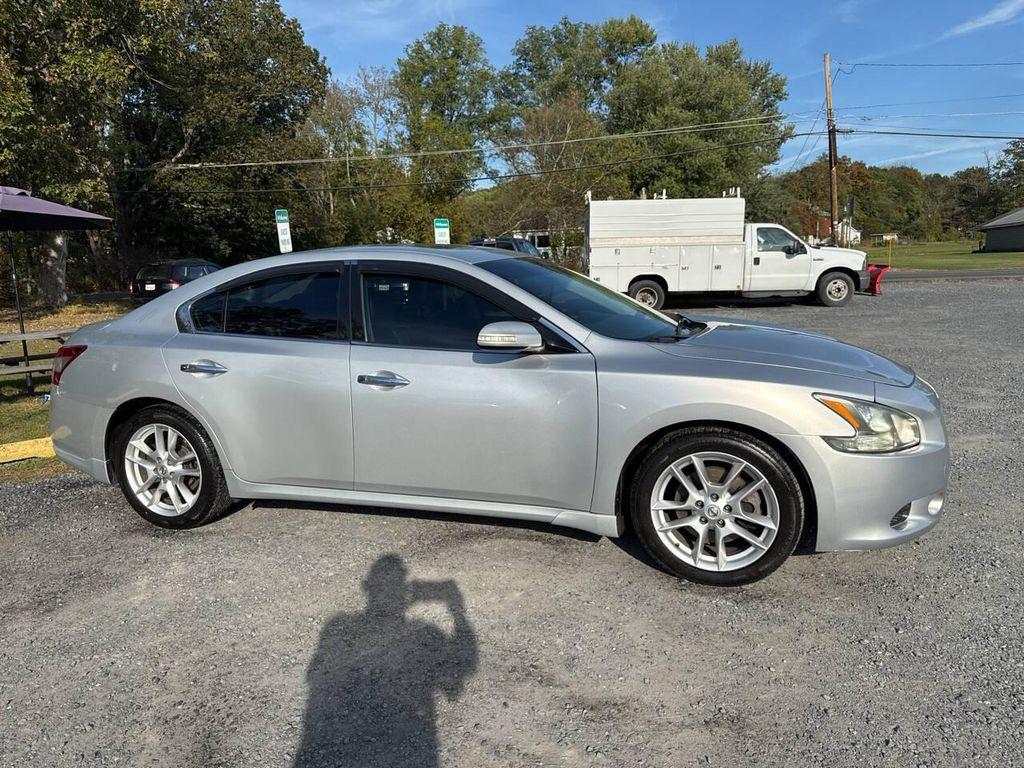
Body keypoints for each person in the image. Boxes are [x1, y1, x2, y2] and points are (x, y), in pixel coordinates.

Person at [294, 554, 477, 767]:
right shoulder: (426, 635)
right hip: (409, 751)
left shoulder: (337, 627)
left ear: (366, 587)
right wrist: (456, 608)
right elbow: (457, 679)